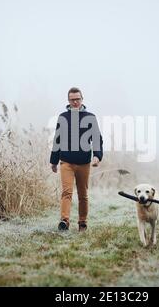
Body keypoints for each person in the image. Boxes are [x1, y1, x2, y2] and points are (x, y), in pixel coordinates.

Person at [50, 87, 103, 232]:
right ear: (68, 101)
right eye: (72, 100)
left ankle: (82, 223)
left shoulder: (90, 117)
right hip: (66, 161)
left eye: (77, 99)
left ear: (82, 99)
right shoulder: (63, 117)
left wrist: (97, 156)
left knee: (83, 195)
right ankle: (64, 221)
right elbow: (57, 139)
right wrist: (54, 161)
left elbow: (97, 138)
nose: (75, 102)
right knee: (66, 192)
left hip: (84, 163)